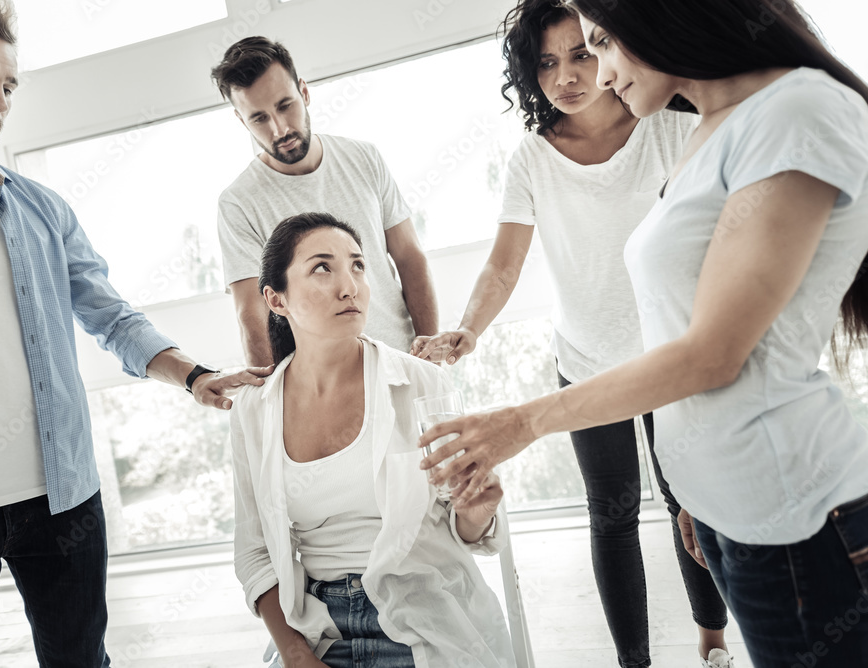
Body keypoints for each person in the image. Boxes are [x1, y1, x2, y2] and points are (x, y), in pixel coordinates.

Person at [418, 0, 868, 665]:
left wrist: (526, 421)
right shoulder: (708, 129)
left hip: (797, 513)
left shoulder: (795, 110)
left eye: (599, 42)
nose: (595, 72)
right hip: (730, 509)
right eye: (567, 55)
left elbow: (713, 353)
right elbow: (681, 319)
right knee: (614, 519)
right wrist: (698, 486)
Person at [0, 2, 270, 666]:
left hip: (60, 497)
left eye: (8, 84)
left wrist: (192, 376)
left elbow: (110, 316)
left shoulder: (40, 209)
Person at [412, 1, 730, 666]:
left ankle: (712, 641)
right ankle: (634, 662)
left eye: (580, 53)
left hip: (669, 359)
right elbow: (503, 266)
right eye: (547, 62)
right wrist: (468, 329)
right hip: (585, 365)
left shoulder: (666, 125)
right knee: (612, 520)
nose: (565, 75)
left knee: (691, 503)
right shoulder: (531, 158)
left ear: (607, 47)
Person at [231, 212, 515, 667]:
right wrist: (296, 655)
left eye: (358, 266)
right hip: (316, 624)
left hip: (423, 605)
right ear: (275, 299)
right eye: (322, 268)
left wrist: (476, 514)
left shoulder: (421, 382)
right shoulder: (254, 408)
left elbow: (464, 528)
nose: (350, 287)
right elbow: (253, 550)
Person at [212, 37, 438, 367]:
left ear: (304, 92)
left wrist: (431, 359)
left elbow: (409, 257)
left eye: (285, 105)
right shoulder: (237, 203)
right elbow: (253, 314)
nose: (279, 129)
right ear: (241, 120)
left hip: (401, 363)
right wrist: (272, 402)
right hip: (320, 392)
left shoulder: (364, 157)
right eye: (259, 118)